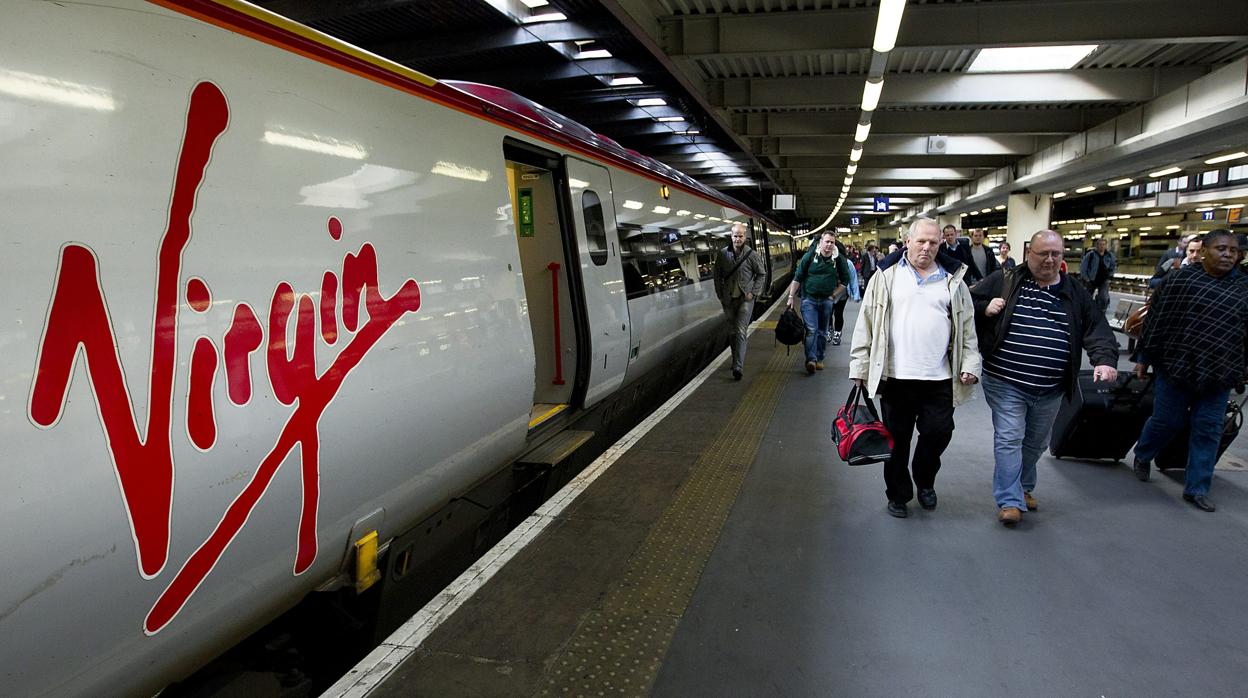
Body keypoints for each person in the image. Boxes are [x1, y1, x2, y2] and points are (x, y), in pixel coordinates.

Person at [972, 230, 1120, 525]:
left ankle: (1022, 486)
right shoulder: (1006, 280)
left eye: (1056, 254)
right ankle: (1010, 500)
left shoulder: (1074, 291)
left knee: (1035, 442)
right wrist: (984, 308)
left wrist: (1104, 359)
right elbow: (965, 303)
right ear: (1029, 254)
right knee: (1010, 437)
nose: (1050, 260)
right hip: (1005, 380)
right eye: (1043, 254)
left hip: (1051, 387)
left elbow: (1096, 327)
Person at [849, 217, 982, 518]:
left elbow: (967, 328)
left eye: (933, 242)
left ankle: (924, 480)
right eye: (921, 241)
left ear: (941, 243)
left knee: (938, 433)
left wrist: (972, 363)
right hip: (896, 377)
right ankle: (898, 494)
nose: (927, 247)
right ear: (907, 241)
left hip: (940, 378)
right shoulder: (885, 277)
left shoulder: (954, 279)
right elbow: (866, 323)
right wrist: (860, 365)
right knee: (896, 442)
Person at [1131, 230, 1248, 512]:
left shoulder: (1244, 287)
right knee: (1166, 421)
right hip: (1175, 366)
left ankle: (1196, 488)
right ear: (1204, 251)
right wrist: (1143, 358)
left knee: (1208, 429)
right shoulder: (1179, 280)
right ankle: (1143, 454)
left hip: (1220, 372)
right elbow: (1156, 320)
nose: (1227, 255)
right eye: (1221, 248)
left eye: (1232, 250)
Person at [786, 232, 850, 374]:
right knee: (811, 330)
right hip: (809, 299)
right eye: (826, 242)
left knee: (822, 331)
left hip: (827, 301)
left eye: (832, 242)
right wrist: (791, 296)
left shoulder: (837, 259)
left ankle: (820, 358)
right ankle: (811, 360)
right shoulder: (809, 256)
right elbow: (798, 277)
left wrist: (834, 295)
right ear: (820, 243)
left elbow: (846, 280)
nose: (829, 245)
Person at [714, 222, 767, 380]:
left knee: (740, 331)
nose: (738, 238)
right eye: (735, 236)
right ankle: (734, 359)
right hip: (728, 299)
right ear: (731, 236)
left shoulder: (752, 255)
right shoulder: (722, 254)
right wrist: (720, 294)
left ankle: (738, 366)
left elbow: (761, 274)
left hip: (746, 299)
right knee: (732, 331)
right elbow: (717, 275)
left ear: (745, 237)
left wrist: (754, 292)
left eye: (740, 236)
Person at [1079, 238, 1116, 313]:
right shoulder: (1091, 255)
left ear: (1106, 246)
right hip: (1092, 280)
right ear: (1097, 245)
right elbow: (1083, 267)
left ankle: (1100, 312)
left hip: (1103, 280)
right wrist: (1086, 278)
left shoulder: (1109, 255)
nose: (1102, 246)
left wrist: (1110, 276)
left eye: (1104, 245)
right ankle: (1085, 311)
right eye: (1100, 245)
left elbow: (1113, 266)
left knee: (1104, 298)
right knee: (1087, 297)